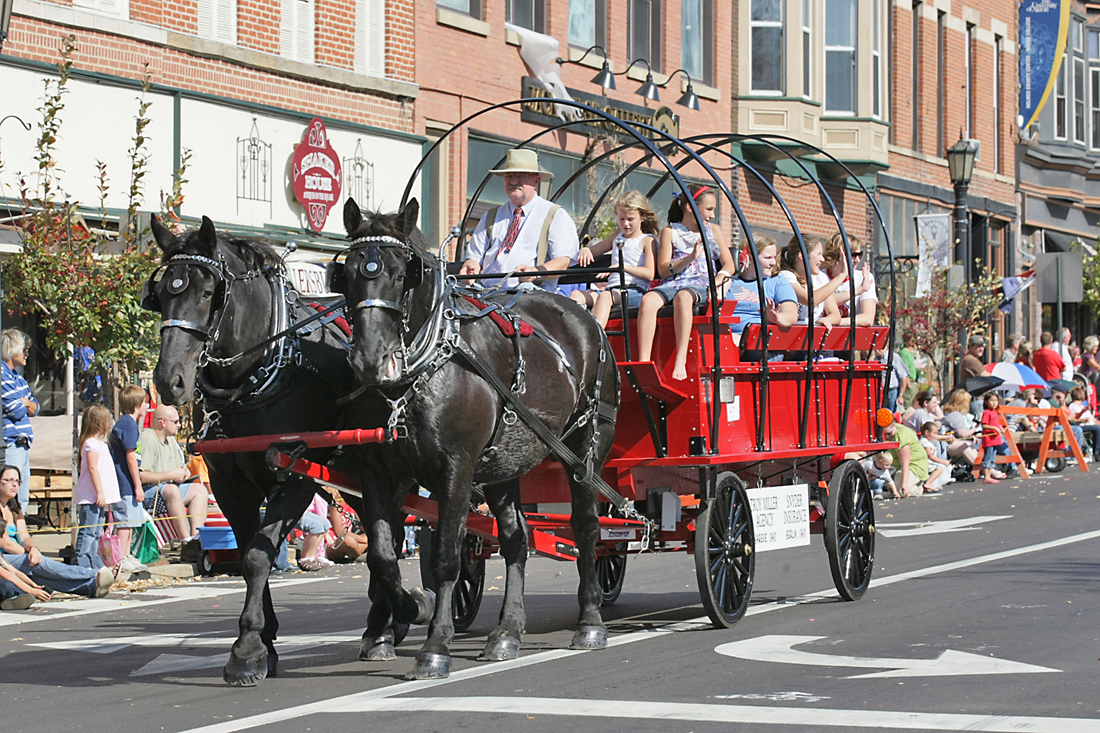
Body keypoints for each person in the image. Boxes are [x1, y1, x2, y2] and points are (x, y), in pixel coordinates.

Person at [636, 184, 734, 381]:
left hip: (702, 283)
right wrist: (690, 258)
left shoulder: (713, 231)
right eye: (709, 209)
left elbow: (729, 265)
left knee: (683, 297)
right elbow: (663, 269)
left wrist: (717, 282)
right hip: (674, 281)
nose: (712, 215)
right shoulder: (670, 232)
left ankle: (680, 358)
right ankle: (643, 362)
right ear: (690, 207)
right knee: (648, 300)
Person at [460, 148, 579, 290]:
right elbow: (474, 257)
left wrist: (536, 272)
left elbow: (564, 261)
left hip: (529, 298)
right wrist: (470, 267)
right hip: (484, 293)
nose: (513, 181)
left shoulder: (555, 215)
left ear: (537, 180)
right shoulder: (491, 216)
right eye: (509, 176)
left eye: (521, 176)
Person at [0, 465, 114, 597]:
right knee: (36, 563)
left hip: (18, 555)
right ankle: (94, 574)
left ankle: (90, 587)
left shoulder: (14, 508)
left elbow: (24, 536)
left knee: (40, 577)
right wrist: (32, 555)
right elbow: (5, 543)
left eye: (17, 481)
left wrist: (32, 549)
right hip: (4, 557)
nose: (14, 484)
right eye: (8, 480)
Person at [572, 191, 658, 327]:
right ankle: (576, 335)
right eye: (621, 219)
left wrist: (622, 267)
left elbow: (649, 274)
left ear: (642, 217)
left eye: (630, 219)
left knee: (605, 297)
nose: (625, 224)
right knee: (576, 295)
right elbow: (595, 250)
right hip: (612, 291)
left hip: (634, 290)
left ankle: (595, 338)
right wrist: (585, 249)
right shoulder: (617, 237)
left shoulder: (646, 240)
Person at [138, 405, 208, 543]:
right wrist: (172, 475)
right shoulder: (148, 439)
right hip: (149, 493)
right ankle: (186, 540)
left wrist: (184, 472)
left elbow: (178, 469)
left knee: (199, 489)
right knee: (172, 490)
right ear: (163, 422)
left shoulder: (171, 439)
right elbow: (142, 476)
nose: (179, 425)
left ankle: (196, 538)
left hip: (170, 489)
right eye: (175, 422)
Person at [73, 405, 126, 571]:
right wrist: (100, 491)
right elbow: (92, 468)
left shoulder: (99, 444)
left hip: (97, 497)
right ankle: (81, 561)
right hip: (92, 496)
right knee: (88, 531)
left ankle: (93, 559)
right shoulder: (91, 444)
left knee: (96, 532)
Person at [109, 385, 149, 574]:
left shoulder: (129, 424)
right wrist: (138, 485)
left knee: (131, 522)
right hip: (125, 482)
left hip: (127, 483)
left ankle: (127, 555)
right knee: (124, 522)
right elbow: (130, 456)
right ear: (137, 404)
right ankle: (121, 557)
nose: (147, 405)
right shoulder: (128, 424)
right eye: (145, 402)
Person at [1, 329, 38, 514]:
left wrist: (26, 402)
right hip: (11, 444)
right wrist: (24, 403)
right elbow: (15, 411)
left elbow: (35, 408)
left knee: (22, 496)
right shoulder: (2, 373)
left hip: (23, 445)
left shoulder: (18, 378)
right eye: (25, 350)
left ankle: (21, 537)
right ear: (14, 349)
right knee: (10, 497)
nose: (27, 354)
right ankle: (10, 537)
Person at [775, 235, 844, 327]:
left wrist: (824, 320)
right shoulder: (786, 277)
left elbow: (835, 315)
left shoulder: (820, 278)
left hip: (812, 335)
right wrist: (841, 276)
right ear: (802, 256)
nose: (822, 259)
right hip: (791, 335)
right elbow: (811, 300)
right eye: (819, 254)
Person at [822, 233, 877, 326]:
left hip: (849, 337)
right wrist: (858, 290)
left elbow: (868, 318)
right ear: (837, 255)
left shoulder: (863, 278)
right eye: (853, 255)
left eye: (859, 255)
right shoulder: (820, 276)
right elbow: (818, 300)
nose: (857, 260)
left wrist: (835, 322)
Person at [883, 421, 928, 497]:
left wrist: (904, 484)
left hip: (914, 465)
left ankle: (918, 488)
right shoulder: (890, 429)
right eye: (884, 435)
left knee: (902, 492)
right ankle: (893, 489)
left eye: (889, 434)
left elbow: (905, 462)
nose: (887, 437)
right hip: (894, 468)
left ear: (894, 427)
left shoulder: (901, 436)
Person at [939, 389, 982, 466]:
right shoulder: (956, 415)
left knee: (970, 444)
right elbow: (962, 434)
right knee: (966, 446)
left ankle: (986, 469)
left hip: (947, 440)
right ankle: (986, 469)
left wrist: (971, 436)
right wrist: (976, 427)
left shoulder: (951, 412)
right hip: (945, 443)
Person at [295, 493, 335, 572]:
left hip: (300, 511)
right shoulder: (317, 497)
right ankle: (305, 559)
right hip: (294, 512)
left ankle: (312, 557)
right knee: (316, 526)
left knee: (325, 523)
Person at [979, 392, 1011, 484]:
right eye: (991, 401)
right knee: (988, 458)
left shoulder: (995, 412)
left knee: (992, 458)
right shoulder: (986, 412)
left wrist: (1000, 428)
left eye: (996, 401)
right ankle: (987, 476)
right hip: (989, 439)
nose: (994, 403)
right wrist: (994, 428)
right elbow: (984, 425)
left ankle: (989, 476)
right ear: (986, 402)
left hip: (995, 439)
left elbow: (996, 424)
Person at [1067, 386, 1100, 461]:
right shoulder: (1072, 406)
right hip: (1081, 425)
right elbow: (1074, 418)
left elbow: (1093, 419)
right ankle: (1097, 452)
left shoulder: (1082, 406)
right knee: (1098, 429)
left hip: (1090, 424)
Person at [918, 422, 951, 493]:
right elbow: (930, 455)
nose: (935, 436)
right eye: (934, 433)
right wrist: (943, 461)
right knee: (939, 469)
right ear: (927, 432)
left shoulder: (926, 441)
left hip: (927, 463)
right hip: (926, 463)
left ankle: (934, 484)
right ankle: (928, 483)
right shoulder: (925, 442)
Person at [878, 347, 909, 412]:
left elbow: (904, 377)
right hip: (880, 393)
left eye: (880, 347)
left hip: (892, 392)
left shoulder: (894, 357)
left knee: (893, 416)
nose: (877, 349)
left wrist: (901, 395)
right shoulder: (876, 359)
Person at [898, 333, 920, 407]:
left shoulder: (910, 353)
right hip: (908, 382)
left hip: (913, 382)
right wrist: (908, 384)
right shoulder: (903, 353)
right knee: (910, 404)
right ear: (911, 342)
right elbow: (904, 370)